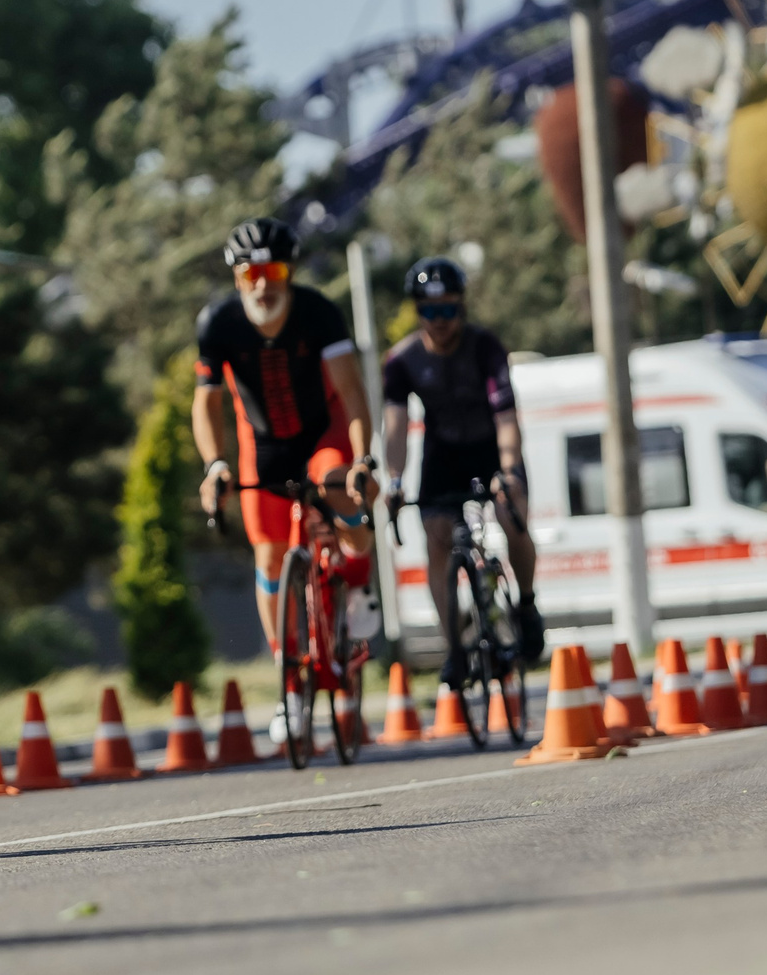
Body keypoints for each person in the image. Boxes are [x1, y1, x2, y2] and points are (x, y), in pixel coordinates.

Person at [193, 217, 379, 742]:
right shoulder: (218, 323)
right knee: (269, 554)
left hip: (324, 434)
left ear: (289, 272)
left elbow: (352, 389)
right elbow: (206, 405)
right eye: (249, 272)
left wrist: (362, 457)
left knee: (346, 489)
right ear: (235, 277)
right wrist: (215, 465)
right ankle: (288, 683)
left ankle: (360, 586)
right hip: (264, 446)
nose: (261, 283)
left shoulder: (318, 312)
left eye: (272, 270)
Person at [376, 257, 543, 688]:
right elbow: (395, 427)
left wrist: (508, 470)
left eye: (448, 309)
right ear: (418, 312)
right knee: (434, 538)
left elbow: (507, 417)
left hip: (491, 449)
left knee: (511, 514)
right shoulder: (402, 361)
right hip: (442, 455)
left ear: (461, 307)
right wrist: (394, 479)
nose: (440, 321)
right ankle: (454, 646)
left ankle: (525, 604)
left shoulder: (485, 347)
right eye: (429, 312)